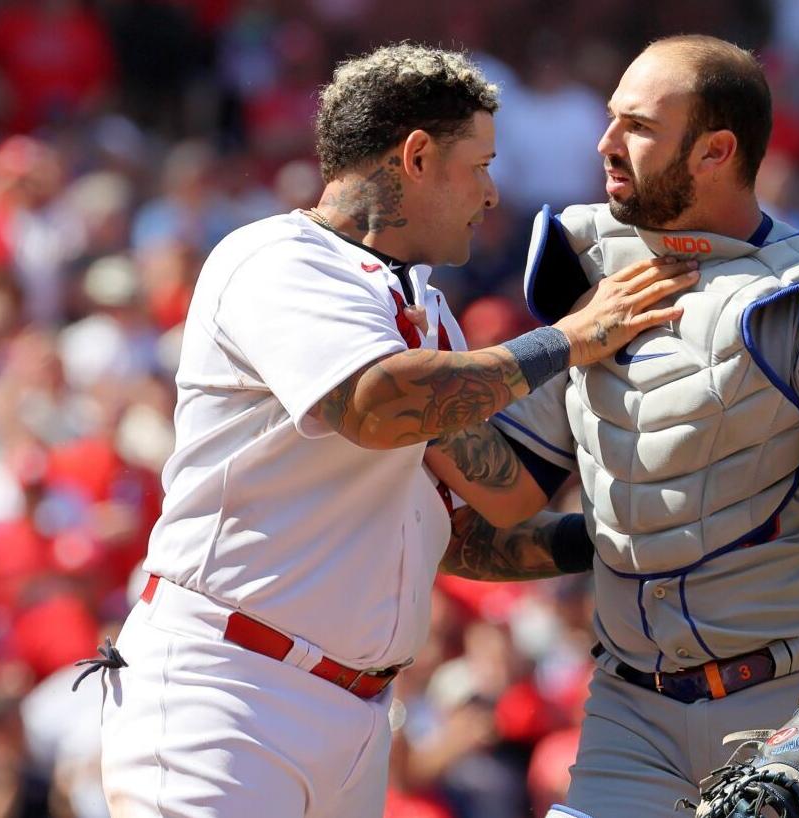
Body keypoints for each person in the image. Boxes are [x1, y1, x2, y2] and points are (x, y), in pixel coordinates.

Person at [91, 43, 698, 818]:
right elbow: (376, 406)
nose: (491, 192)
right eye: (479, 165)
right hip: (225, 690)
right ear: (416, 157)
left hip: (359, 715)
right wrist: (568, 340)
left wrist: (631, 542)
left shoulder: (427, 311)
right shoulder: (277, 259)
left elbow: (497, 506)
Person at [435, 35, 799, 816]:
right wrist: (394, 380)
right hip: (631, 711)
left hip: (790, 701)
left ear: (716, 151)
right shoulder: (591, 262)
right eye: (610, 119)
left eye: (638, 126)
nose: (605, 144)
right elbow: (509, 490)